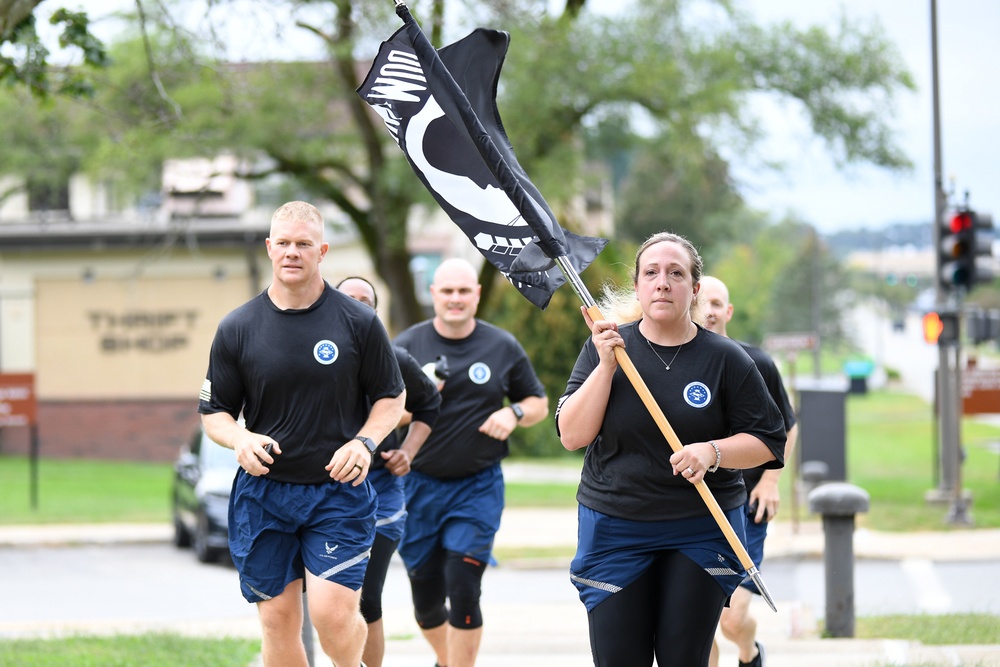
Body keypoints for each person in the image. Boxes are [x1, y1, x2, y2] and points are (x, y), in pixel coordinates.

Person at [555, 231, 787, 667]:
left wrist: (711, 453)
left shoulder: (727, 359)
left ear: (694, 289)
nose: (662, 282)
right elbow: (571, 435)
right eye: (652, 273)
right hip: (615, 528)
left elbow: (768, 440)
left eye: (675, 273)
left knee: (684, 658)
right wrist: (605, 367)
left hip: (700, 526)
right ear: (639, 286)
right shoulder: (606, 348)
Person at [198, 201, 406, 667]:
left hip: (338, 492)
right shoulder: (237, 327)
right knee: (277, 621)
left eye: (304, 244)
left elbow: (391, 398)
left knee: (333, 616)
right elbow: (215, 414)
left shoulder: (358, 322)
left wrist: (364, 442)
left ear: (322, 250)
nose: (293, 252)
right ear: (270, 248)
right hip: (264, 494)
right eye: (285, 243)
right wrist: (240, 439)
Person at [393, 257, 549, 667]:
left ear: (477, 295)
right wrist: (423, 395)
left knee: (463, 586)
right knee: (426, 602)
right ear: (433, 295)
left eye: (464, 291)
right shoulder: (406, 346)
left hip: (477, 487)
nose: (456, 299)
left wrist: (512, 414)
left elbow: (537, 402)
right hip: (418, 486)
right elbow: (381, 411)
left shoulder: (501, 346)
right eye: (447, 291)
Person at [336, 276, 443, 667]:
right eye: (350, 299)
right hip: (324, 495)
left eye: (367, 301)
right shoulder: (314, 352)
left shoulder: (394, 359)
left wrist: (408, 451)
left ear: (376, 312)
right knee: (331, 599)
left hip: (381, 493)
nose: (359, 306)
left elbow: (429, 404)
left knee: (364, 594)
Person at [697, 275, 799, 667]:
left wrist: (771, 479)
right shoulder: (672, 362)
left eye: (717, 303)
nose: (709, 310)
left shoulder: (755, 362)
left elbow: (786, 426)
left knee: (732, 618)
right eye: (703, 302)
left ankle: (749, 653)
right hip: (692, 508)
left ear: (729, 311)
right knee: (698, 623)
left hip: (745, 506)